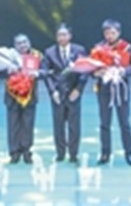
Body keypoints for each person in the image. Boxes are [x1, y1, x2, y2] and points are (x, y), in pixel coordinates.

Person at [92, 19, 131, 166]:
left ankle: (129, 153)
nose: (110, 36)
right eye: (107, 33)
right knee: (104, 123)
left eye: (112, 33)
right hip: (104, 90)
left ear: (118, 33)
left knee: (124, 123)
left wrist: (124, 71)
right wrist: (96, 73)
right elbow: (91, 67)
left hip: (121, 90)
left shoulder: (126, 48)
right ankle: (105, 153)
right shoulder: (98, 48)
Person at [42, 23, 88, 163]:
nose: (62, 38)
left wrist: (78, 90)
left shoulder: (79, 50)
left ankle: (73, 153)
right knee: (58, 125)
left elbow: (85, 72)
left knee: (74, 126)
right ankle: (60, 153)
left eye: (64, 35)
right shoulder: (49, 52)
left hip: (73, 92)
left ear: (70, 36)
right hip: (58, 94)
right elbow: (46, 74)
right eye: (59, 35)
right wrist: (52, 91)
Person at [0, 33, 42, 164]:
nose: (23, 45)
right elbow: (0, 74)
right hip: (12, 96)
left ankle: (27, 151)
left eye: (25, 42)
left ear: (29, 43)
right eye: (19, 43)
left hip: (30, 96)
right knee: (13, 125)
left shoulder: (37, 56)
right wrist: (7, 70)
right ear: (15, 46)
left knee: (28, 125)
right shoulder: (8, 57)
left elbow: (45, 71)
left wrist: (37, 73)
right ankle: (14, 153)